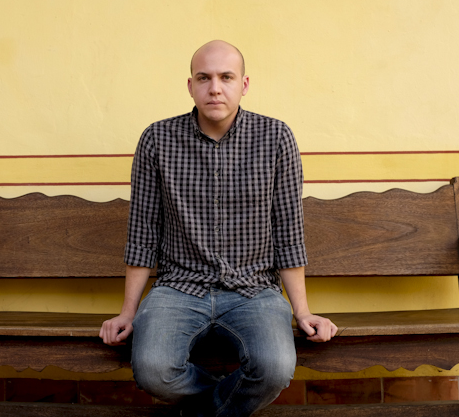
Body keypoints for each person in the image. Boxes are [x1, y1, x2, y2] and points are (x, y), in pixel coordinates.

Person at [99, 40, 337, 416]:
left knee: (274, 368)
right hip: (179, 287)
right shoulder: (157, 140)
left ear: (243, 84)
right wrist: (127, 312)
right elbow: (143, 232)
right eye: (204, 77)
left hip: (254, 290)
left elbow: (288, 232)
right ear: (190, 85)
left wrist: (303, 311)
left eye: (226, 77)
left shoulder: (276, 139)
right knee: (153, 370)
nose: (214, 87)